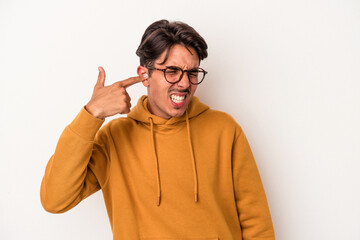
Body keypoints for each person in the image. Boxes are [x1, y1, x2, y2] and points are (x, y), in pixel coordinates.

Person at [40, 19, 275, 240]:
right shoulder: (114, 139)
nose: (184, 83)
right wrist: (91, 114)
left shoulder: (225, 130)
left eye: (192, 73)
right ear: (145, 75)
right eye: (172, 71)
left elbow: (256, 222)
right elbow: (55, 199)